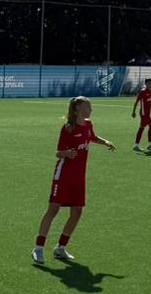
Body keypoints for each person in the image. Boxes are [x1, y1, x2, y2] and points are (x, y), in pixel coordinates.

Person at [32, 96, 115, 263]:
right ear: (78, 109)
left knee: (77, 212)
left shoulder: (88, 124)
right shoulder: (68, 128)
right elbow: (58, 152)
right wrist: (67, 153)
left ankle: (60, 248)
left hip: (79, 176)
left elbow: (92, 137)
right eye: (88, 106)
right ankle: (38, 248)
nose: (91, 109)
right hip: (63, 175)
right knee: (53, 210)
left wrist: (105, 142)